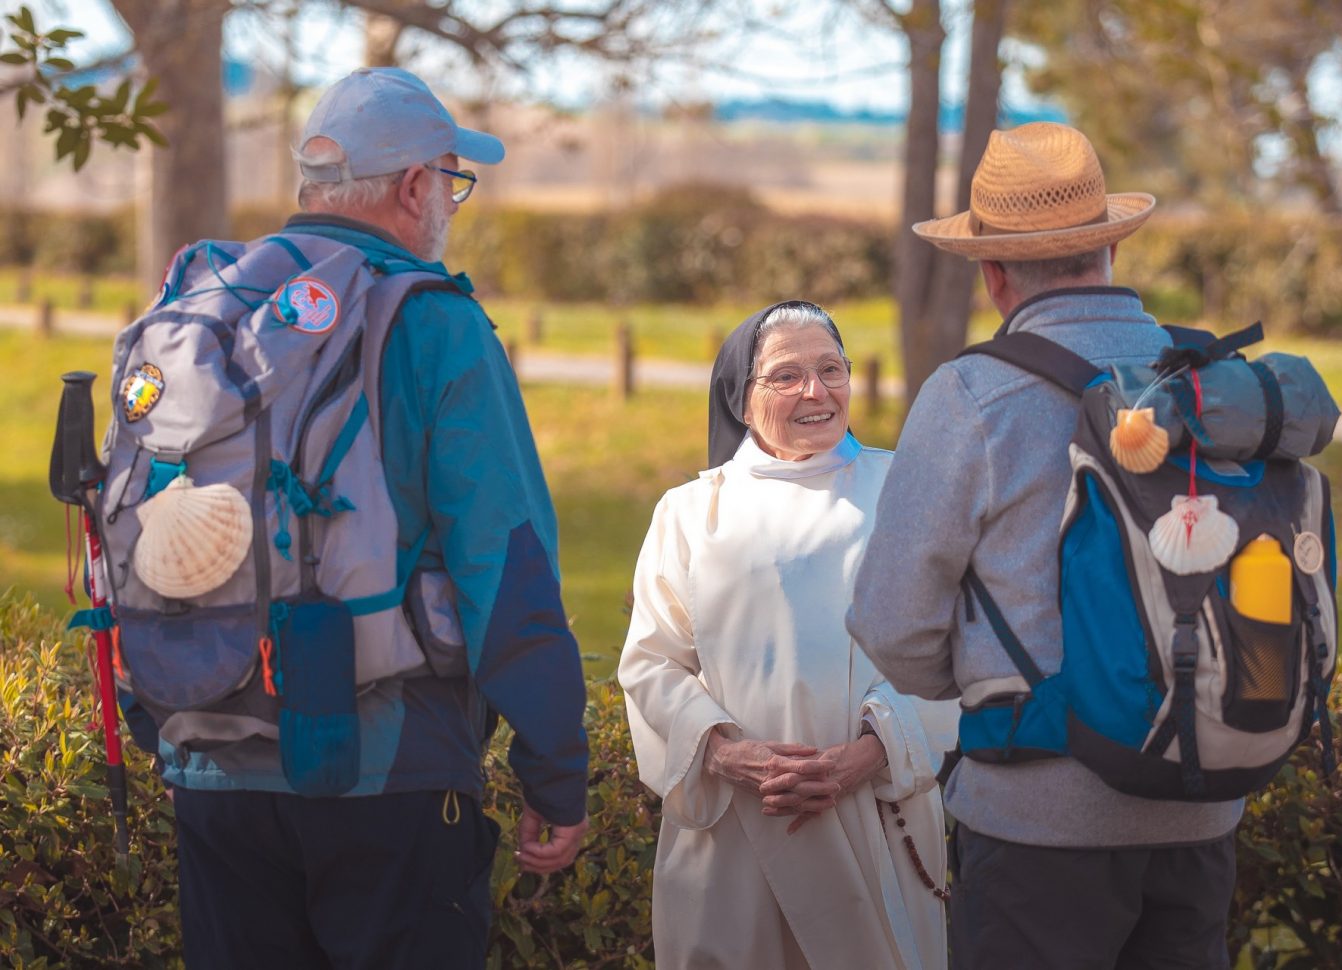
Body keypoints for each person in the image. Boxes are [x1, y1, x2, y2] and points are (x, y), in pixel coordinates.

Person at [163, 68, 591, 967]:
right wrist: (555, 774)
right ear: (410, 188)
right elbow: (507, 566)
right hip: (389, 772)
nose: (449, 203)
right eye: (450, 180)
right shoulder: (436, 324)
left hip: (210, 760)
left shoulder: (205, 307)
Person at [848, 122, 1245, 970]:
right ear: (1108, 249)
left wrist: (974, 688)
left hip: (1037, 819)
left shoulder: (973, 395)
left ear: (990, 274)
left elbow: (890, 621)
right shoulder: (1208, 379)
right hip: (1202, 802)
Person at [617, 301, 957, 970]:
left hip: (873, 813)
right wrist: (723, 754)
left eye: (831, 369)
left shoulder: (906, 489)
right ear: (740, 400)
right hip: (740, 826)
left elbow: (957, 647)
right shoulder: (690, 513)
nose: (816, 391)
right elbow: (652, 662)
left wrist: (871, 750)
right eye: (786, 375)